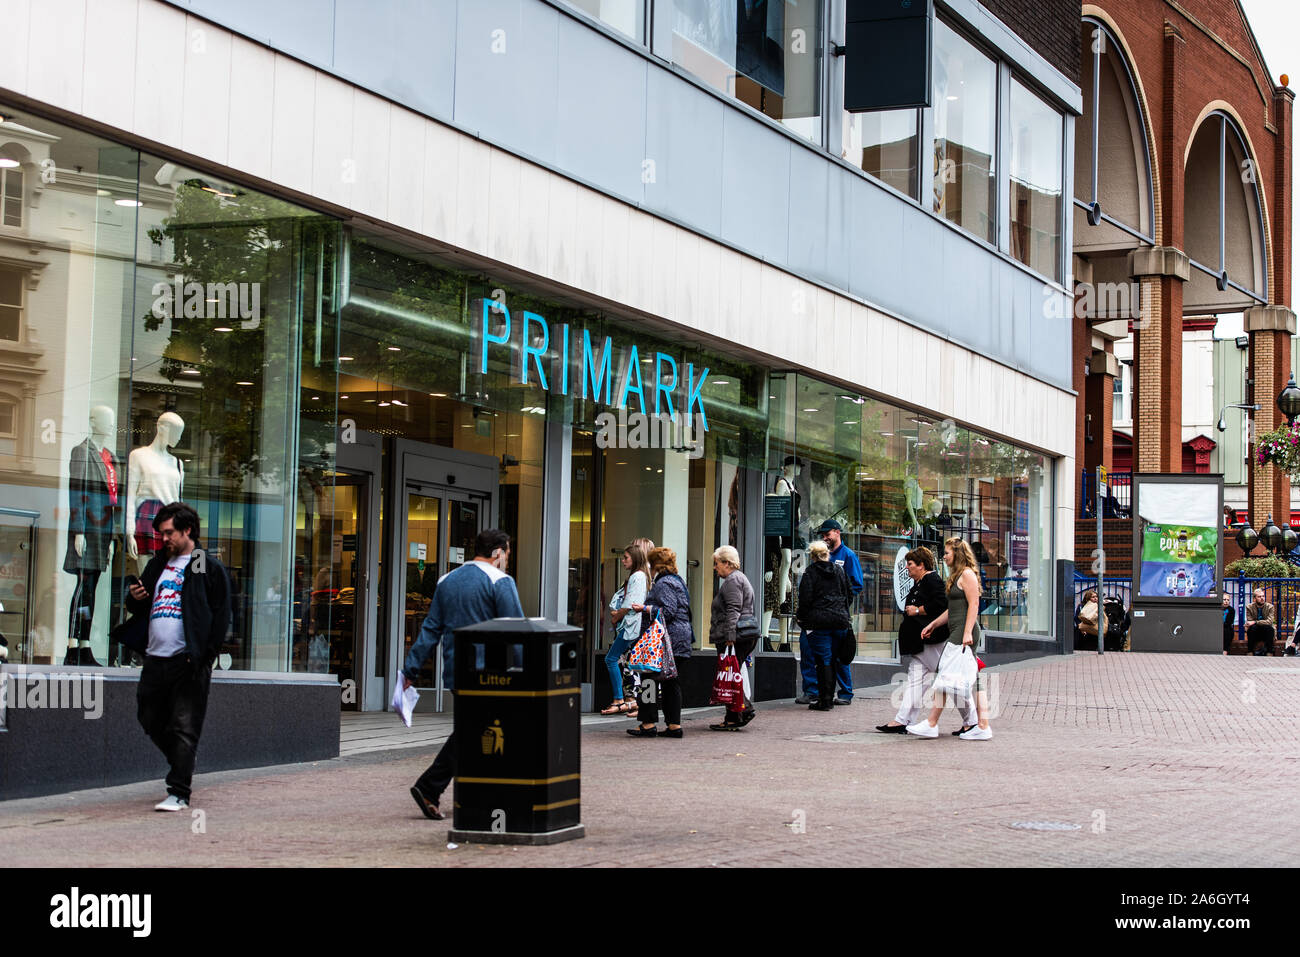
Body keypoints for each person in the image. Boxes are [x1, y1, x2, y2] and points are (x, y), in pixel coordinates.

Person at [404, 528, 523, 821]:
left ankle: (469, 793)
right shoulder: (500, 581)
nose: (507, 559)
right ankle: (431, 787)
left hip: (456, 671)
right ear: (498, 553)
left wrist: (411, 669)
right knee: (476, 733)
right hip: (491, 673)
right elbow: (516, 631)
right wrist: (524, 671)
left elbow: (431, 628)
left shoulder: (447, 581)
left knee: (475, 730)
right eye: (507, 553)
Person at [121, 502, 231, 811]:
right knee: (148, 715)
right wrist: (135, 598)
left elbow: (221, 616)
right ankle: (184, 757)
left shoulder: (202, 565)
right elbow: (141, 606)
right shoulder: (158, 563)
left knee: (184, 724)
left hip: (187, 661)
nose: (163, 539)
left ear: (187, 530)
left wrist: (202, 658)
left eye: (169, 533)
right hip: (155, 658)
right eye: (161, 533)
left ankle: (179, 792)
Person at [876, 546, 978, 734]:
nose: (907, 568)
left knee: (949, 678)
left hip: (933, 642)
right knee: (916, 680)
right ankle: (902, 720)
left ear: (921, 565)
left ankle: (971, 721)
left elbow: (941, 604)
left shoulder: (932, 580)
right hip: (921, 642)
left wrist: (918, 611)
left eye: (911, 564)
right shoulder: (921, 582)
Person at [909, 537, 992, 740]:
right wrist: (933, 624)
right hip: (959, 630)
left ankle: (932, 723)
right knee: (972, 680)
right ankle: (982, 725)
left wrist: (966, 633)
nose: (944, 556)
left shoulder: (967, 574)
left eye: (947, 552)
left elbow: (974, 605)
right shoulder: (956, 576)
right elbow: (952, 609)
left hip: (964, 632)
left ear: (957, 553)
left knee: (944, 672)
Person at [628, 547, 693, 738]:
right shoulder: (678, 581)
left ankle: (648, 724)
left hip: (665, 642)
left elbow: (668, 611)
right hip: (679, 639)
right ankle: (674, 725)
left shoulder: (664, 583)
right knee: (671, 682)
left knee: (649, 678)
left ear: (655, 564)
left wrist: (645, 608)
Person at [810, 519, 863, 705]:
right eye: (823, 535)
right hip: (821, 617)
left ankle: (845, 693)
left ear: (837, 532)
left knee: (840, 656)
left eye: (828, 534)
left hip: (839, 616)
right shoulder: (820, 559)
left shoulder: (848, 556)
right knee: (820, 655)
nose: (825, 537)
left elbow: (856, 585)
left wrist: (842, 603)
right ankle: (817, 692)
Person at [796, 540, 851, 712]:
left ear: (812, 556)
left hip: (819, 622)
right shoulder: (840, 570)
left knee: (822, 660)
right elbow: (848, 593)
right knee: (833, 659)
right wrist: (841, 611)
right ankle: (828, 697)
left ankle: (824, 700)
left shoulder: (810, 573)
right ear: (827, 554)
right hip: (839, 621)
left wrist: (802, 619)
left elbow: (805, 599)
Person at [709, 545, 756, 731]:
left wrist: (729, 636)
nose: (715, 567)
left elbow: (733, 610)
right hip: (742, 635)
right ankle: (733, 716)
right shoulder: (738, 579)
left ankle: (742, 710)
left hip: (735, 637)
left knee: (729, 676)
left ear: (726, 563)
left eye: (716, 563)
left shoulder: (732, 580)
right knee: (731, 676)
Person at [601, 542, 651, 716]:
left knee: (611, 659)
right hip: (633, 626)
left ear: (635, 559)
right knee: (636, 665)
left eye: (626, 558)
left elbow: (631, 604)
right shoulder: (641, 575)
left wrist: (616, 616)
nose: (622, 561)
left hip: (631, 626)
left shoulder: (637, 576)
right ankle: (635, 703)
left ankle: (620, 699)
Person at [1244, 588, 1275, 656]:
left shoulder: (1270, 607)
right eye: (1259, 596)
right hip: (1255, 631)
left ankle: (1270, 652)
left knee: (1269, 629)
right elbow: (1249, 621)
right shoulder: (1249, 607)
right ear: (1254, 598)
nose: (1262, 598)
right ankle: (1250, 651)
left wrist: (1255, 622)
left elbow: (1269, 621)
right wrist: (1253, 623)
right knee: (1251, 629)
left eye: (1263, 596)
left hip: (1266, 631)